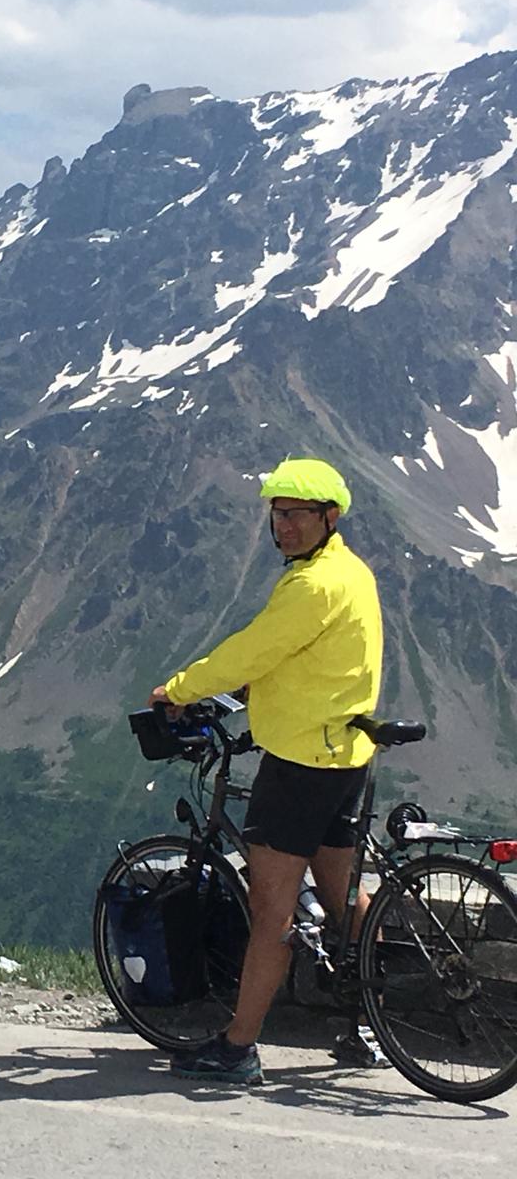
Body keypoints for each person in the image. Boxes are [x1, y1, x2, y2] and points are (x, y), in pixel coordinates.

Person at [150, 458, 383, 1085]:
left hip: (301, 765)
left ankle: (238, 1048)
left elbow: (252, 648)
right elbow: (310, 656)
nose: (284, 526)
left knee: (272, 910)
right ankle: (371, 1022)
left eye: (298, 515)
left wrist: (180, 688)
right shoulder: (351, 571)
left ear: (329, 517)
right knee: (341, 898)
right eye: (278, 514)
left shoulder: (312, 586)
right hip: (345, 757)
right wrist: (264, 685)